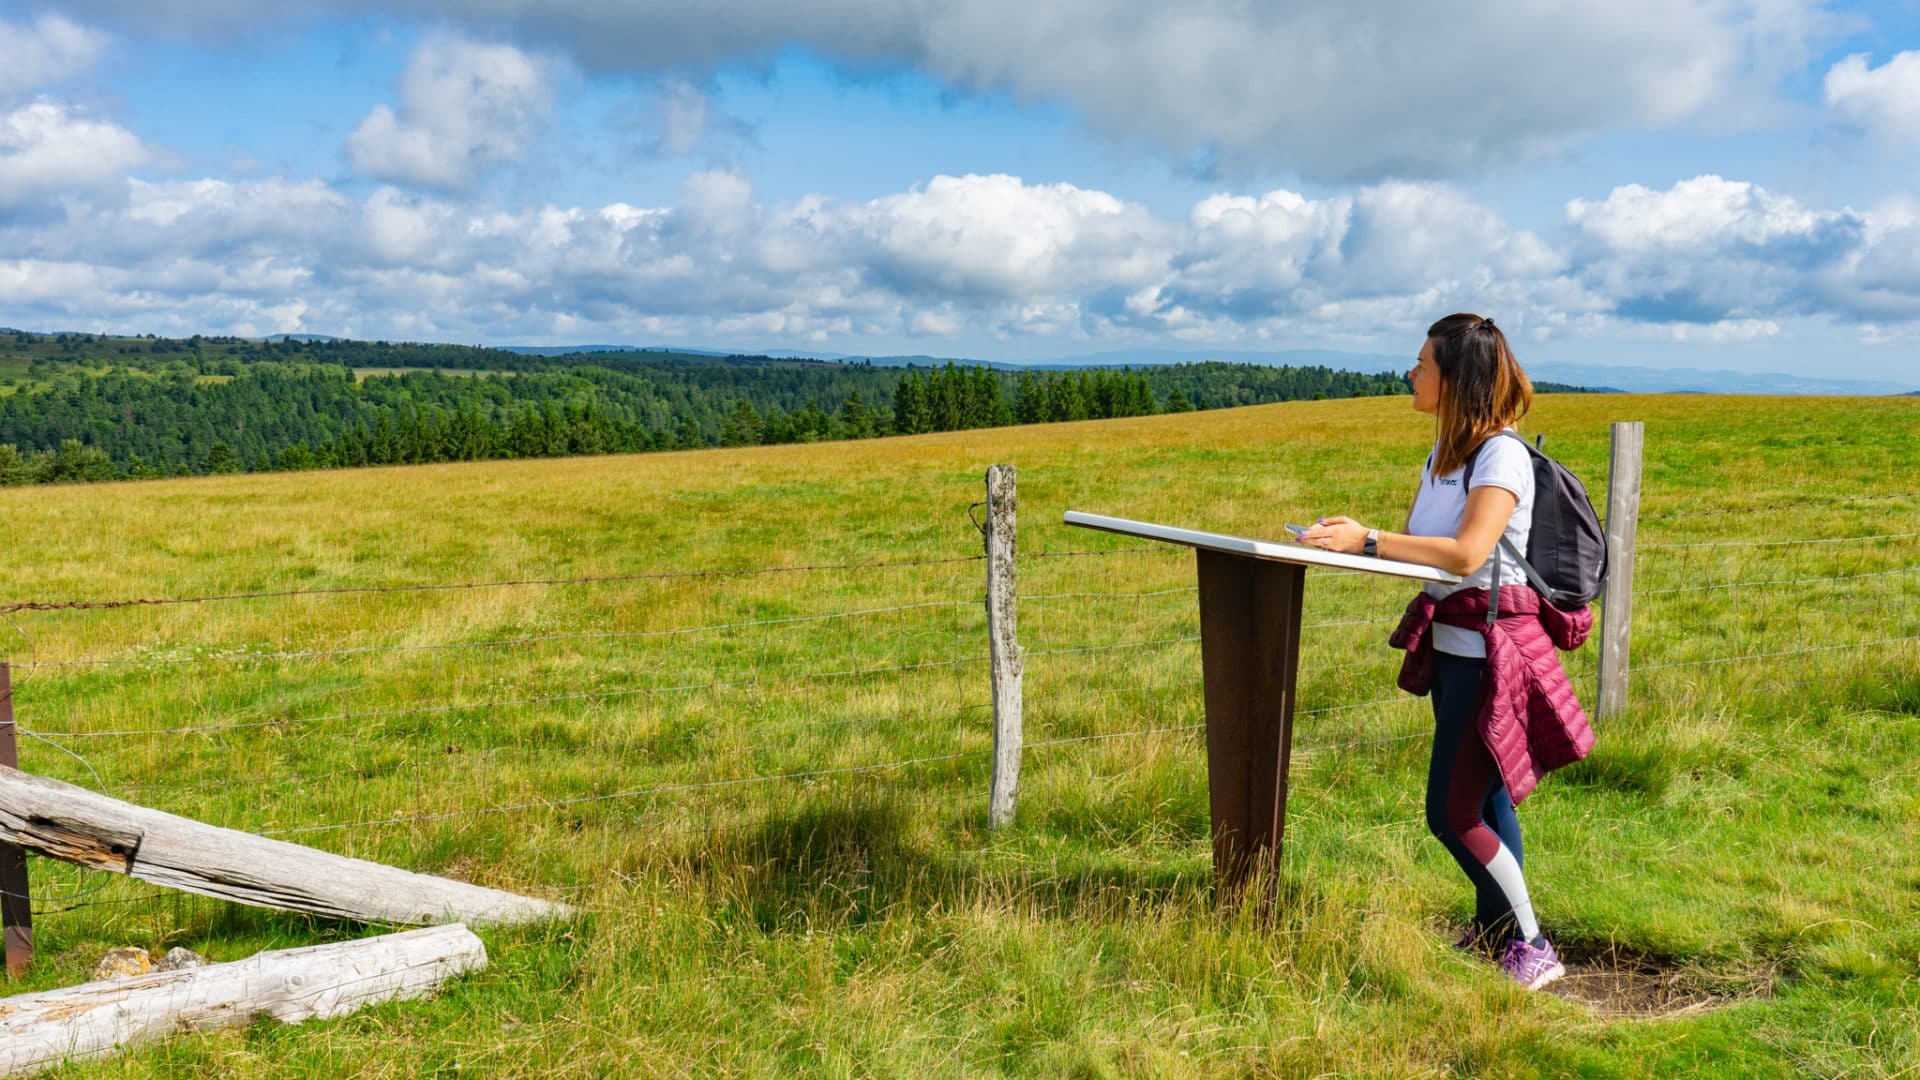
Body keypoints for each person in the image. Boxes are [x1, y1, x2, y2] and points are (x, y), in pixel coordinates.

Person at [1297, 313, 1593, 991]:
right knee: (1489, 806)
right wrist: (1342, 543)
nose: (1411, 373)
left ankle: (1532, 945)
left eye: (1422, 365)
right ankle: (1497, 932)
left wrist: (1367, 540)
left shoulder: (1501, 456)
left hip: (1494, 658)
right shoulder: (1442, 457)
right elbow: (1421, 553)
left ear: (1455, 379)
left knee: (1451, 813)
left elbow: (1465, 552)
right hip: (1455, 649)